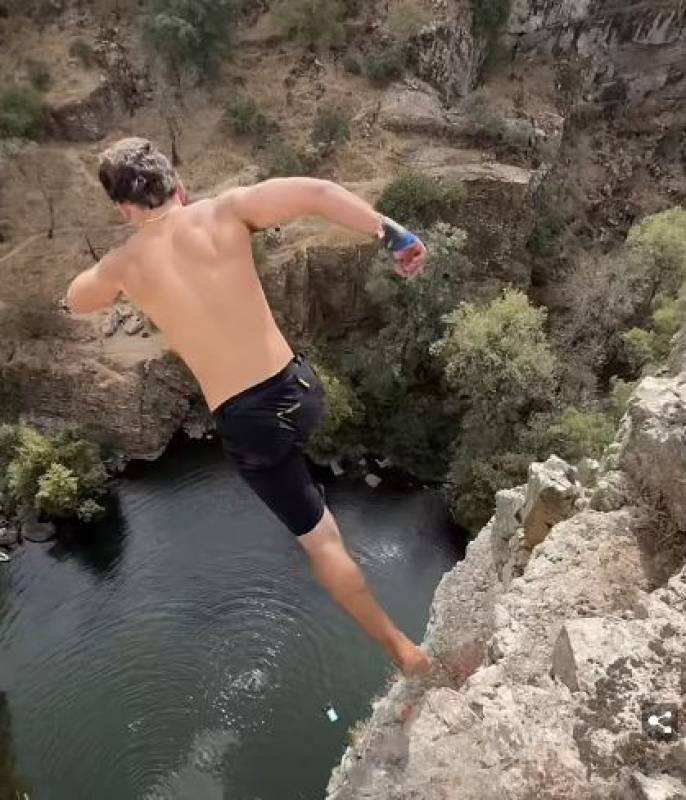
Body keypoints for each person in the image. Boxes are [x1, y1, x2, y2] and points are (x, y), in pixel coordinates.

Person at [67, 138, 430, 676]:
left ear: (124, 208)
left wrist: (102, 279)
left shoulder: (123, 267)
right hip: (299, 391)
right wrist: (394, 233)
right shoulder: (228, 210)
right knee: (302, 441)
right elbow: (317, 193)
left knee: (322, 544)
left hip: (251, 426)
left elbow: (77, 299)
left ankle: (405, 654)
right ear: (177, 184)